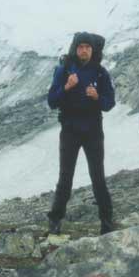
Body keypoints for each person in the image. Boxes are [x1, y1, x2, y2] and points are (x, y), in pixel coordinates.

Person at [46, 32, 116, 235]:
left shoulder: (101, 73)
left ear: (92, 50)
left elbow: (109, 103)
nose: (84, 50)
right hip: (70, 130)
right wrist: (66, 87)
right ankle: (55, 221)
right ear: (75, 49)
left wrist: (97, 97)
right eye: (80, 47)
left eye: (87, 47)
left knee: (98, 177)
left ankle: (107, 223)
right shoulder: (64, 71)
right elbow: (52, 101)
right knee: (65, 177)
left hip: (93, 130)